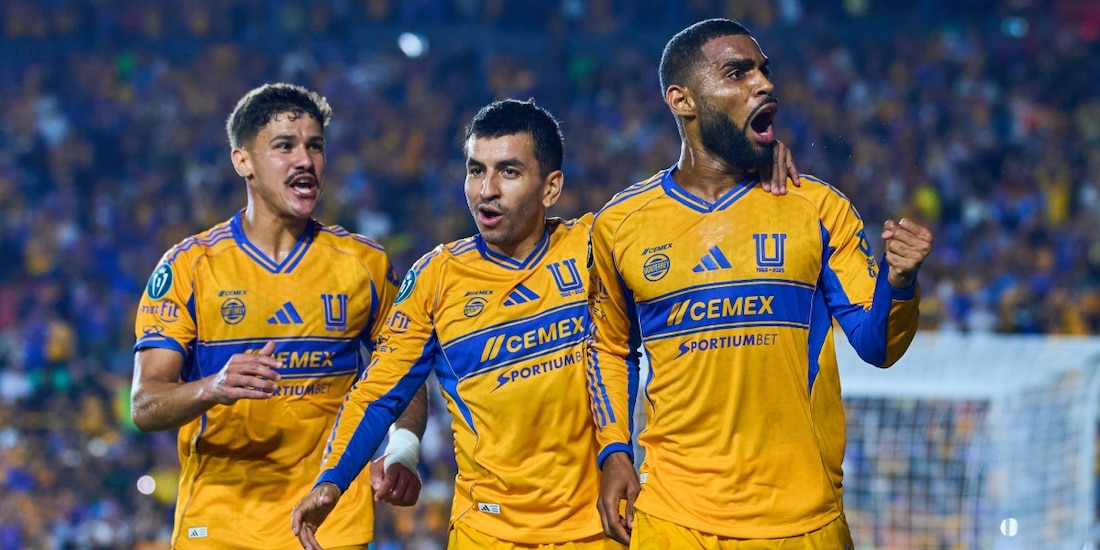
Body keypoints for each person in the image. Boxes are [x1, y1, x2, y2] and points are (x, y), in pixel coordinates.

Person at [289, 99, 800, 549]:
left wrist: (747, 171)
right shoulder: (434, 278)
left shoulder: (598, 245)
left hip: (602, 526)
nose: (486, 190)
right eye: (475, 170)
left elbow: (695, 220)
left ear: (551, 186)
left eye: (508, 172)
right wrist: (332, 479)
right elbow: (379, 391)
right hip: (488, 533)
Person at [587, 18, 934, 549]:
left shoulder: (816, 207)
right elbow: (611, 348)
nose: (764, 83)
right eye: (737, 73)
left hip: (802, 520)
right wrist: (615, 454)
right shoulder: (622, 223)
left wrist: (900, 284)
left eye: (764, 71)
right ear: (682, 100)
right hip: (673, 518)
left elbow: (878, 346)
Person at [130, 82, 428, 550]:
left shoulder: (365, 265)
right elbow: (144, 404)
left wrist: (404, 449)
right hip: (221, 527)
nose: (305, 160)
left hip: (331, 522)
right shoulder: (190, 268)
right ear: (243, 161)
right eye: (284, 146)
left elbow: (404, 373)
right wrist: (213, 386)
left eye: (315, 146)